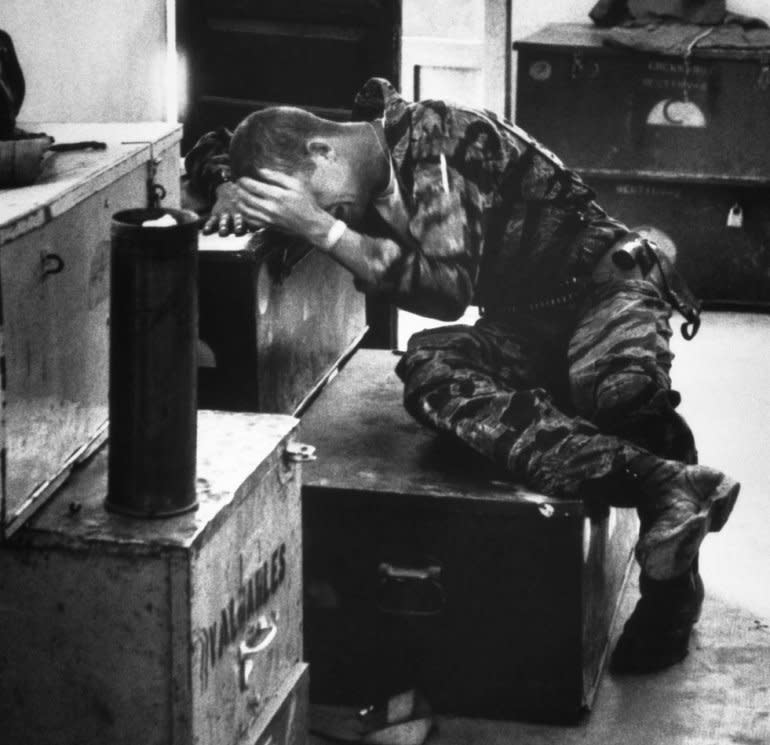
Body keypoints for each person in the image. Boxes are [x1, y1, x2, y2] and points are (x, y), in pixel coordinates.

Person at [184, 77, 741, 674]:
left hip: (607, 287)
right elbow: (218, 139)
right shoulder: (358, 145)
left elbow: (446, 292)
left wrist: (324, 230)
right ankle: (665, 484)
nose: (319, 214)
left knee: (621, 393)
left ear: (322, 151)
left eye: (312, 200)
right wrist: (226, 189)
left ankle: (670, 599)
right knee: (430, 366)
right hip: (526, 321)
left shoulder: (434, 139)